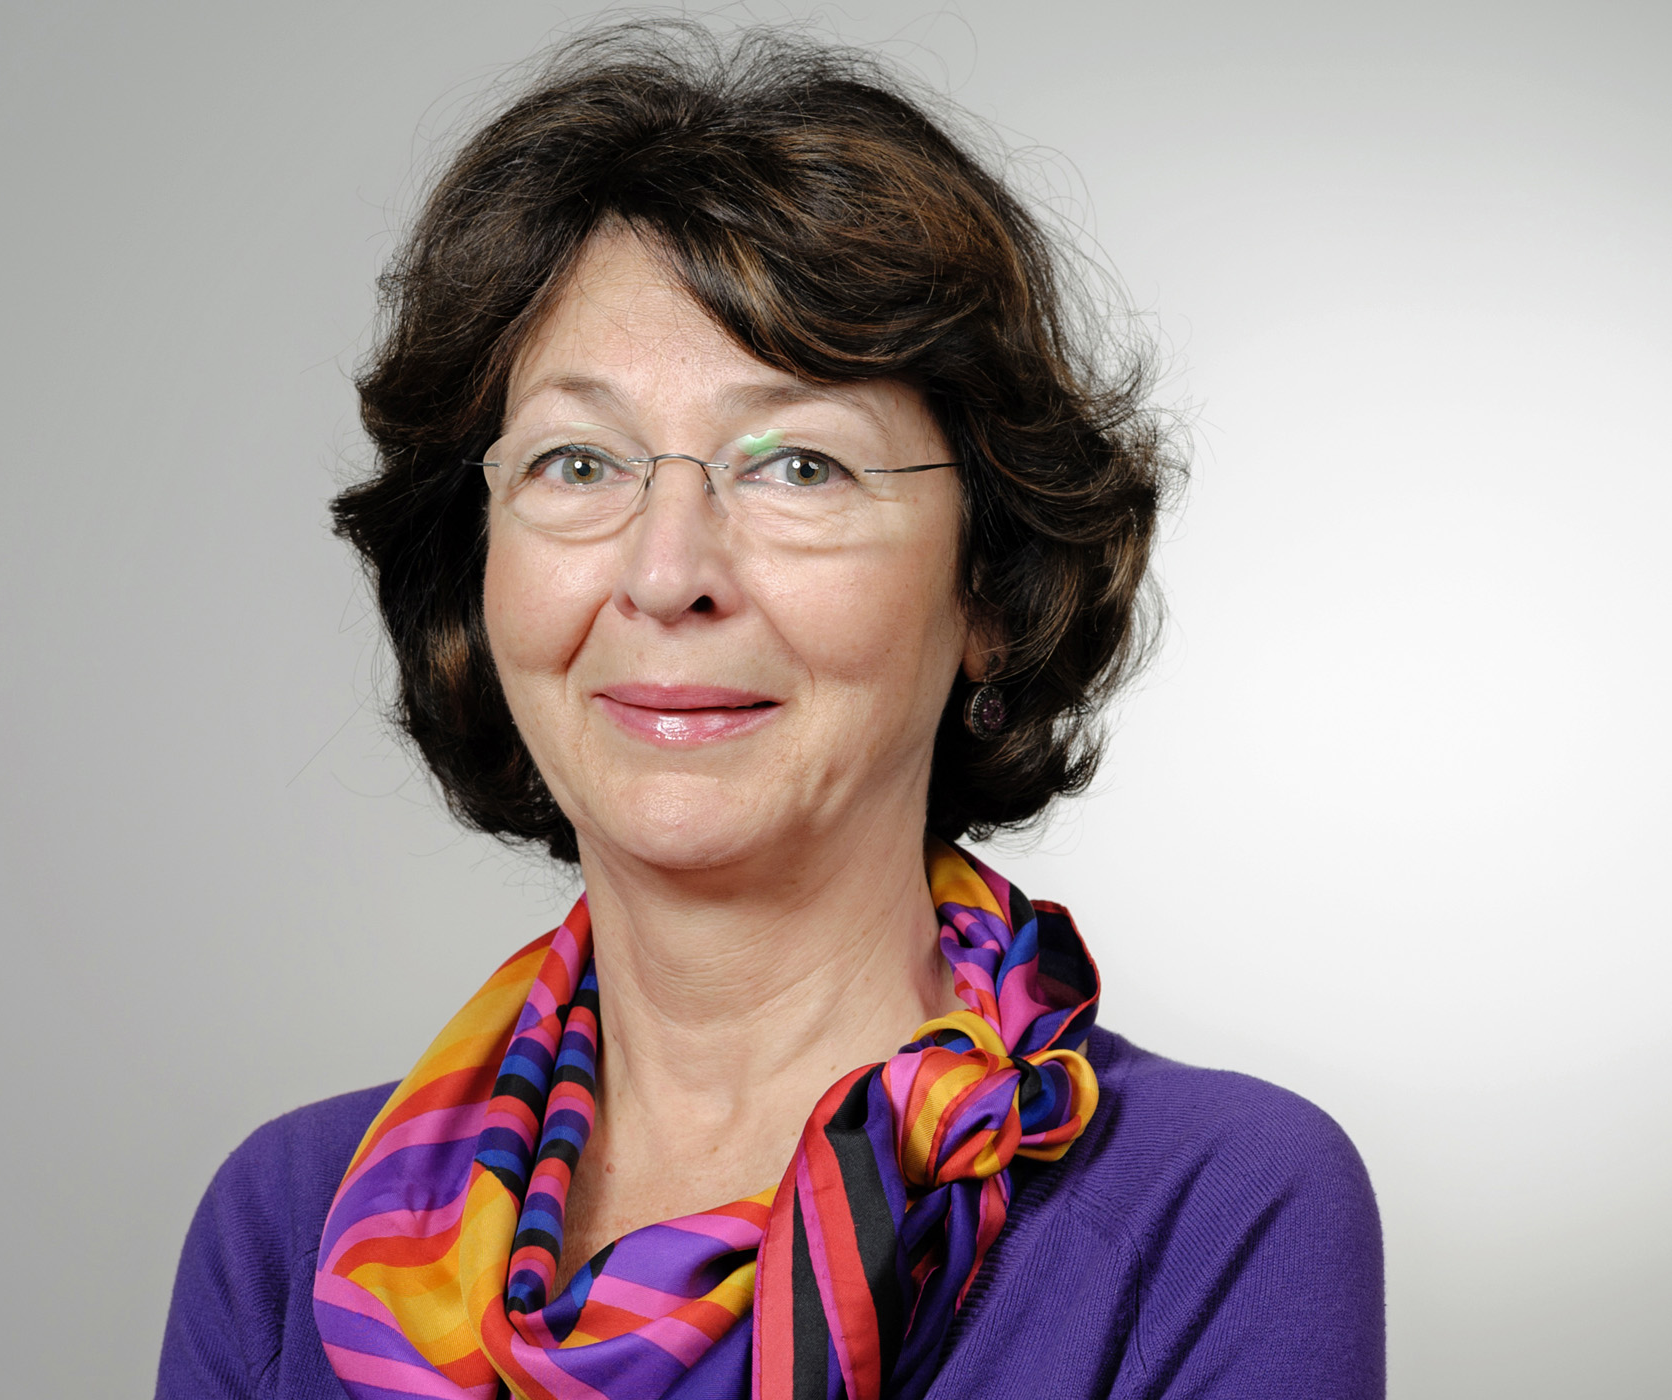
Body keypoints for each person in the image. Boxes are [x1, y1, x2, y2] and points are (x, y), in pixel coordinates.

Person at [157, 22, 1383, 1400]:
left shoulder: (1211, 1220)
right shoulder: (289, 1233)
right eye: (578, 462)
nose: (666, 573)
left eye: (799, 465)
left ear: (991, 584)